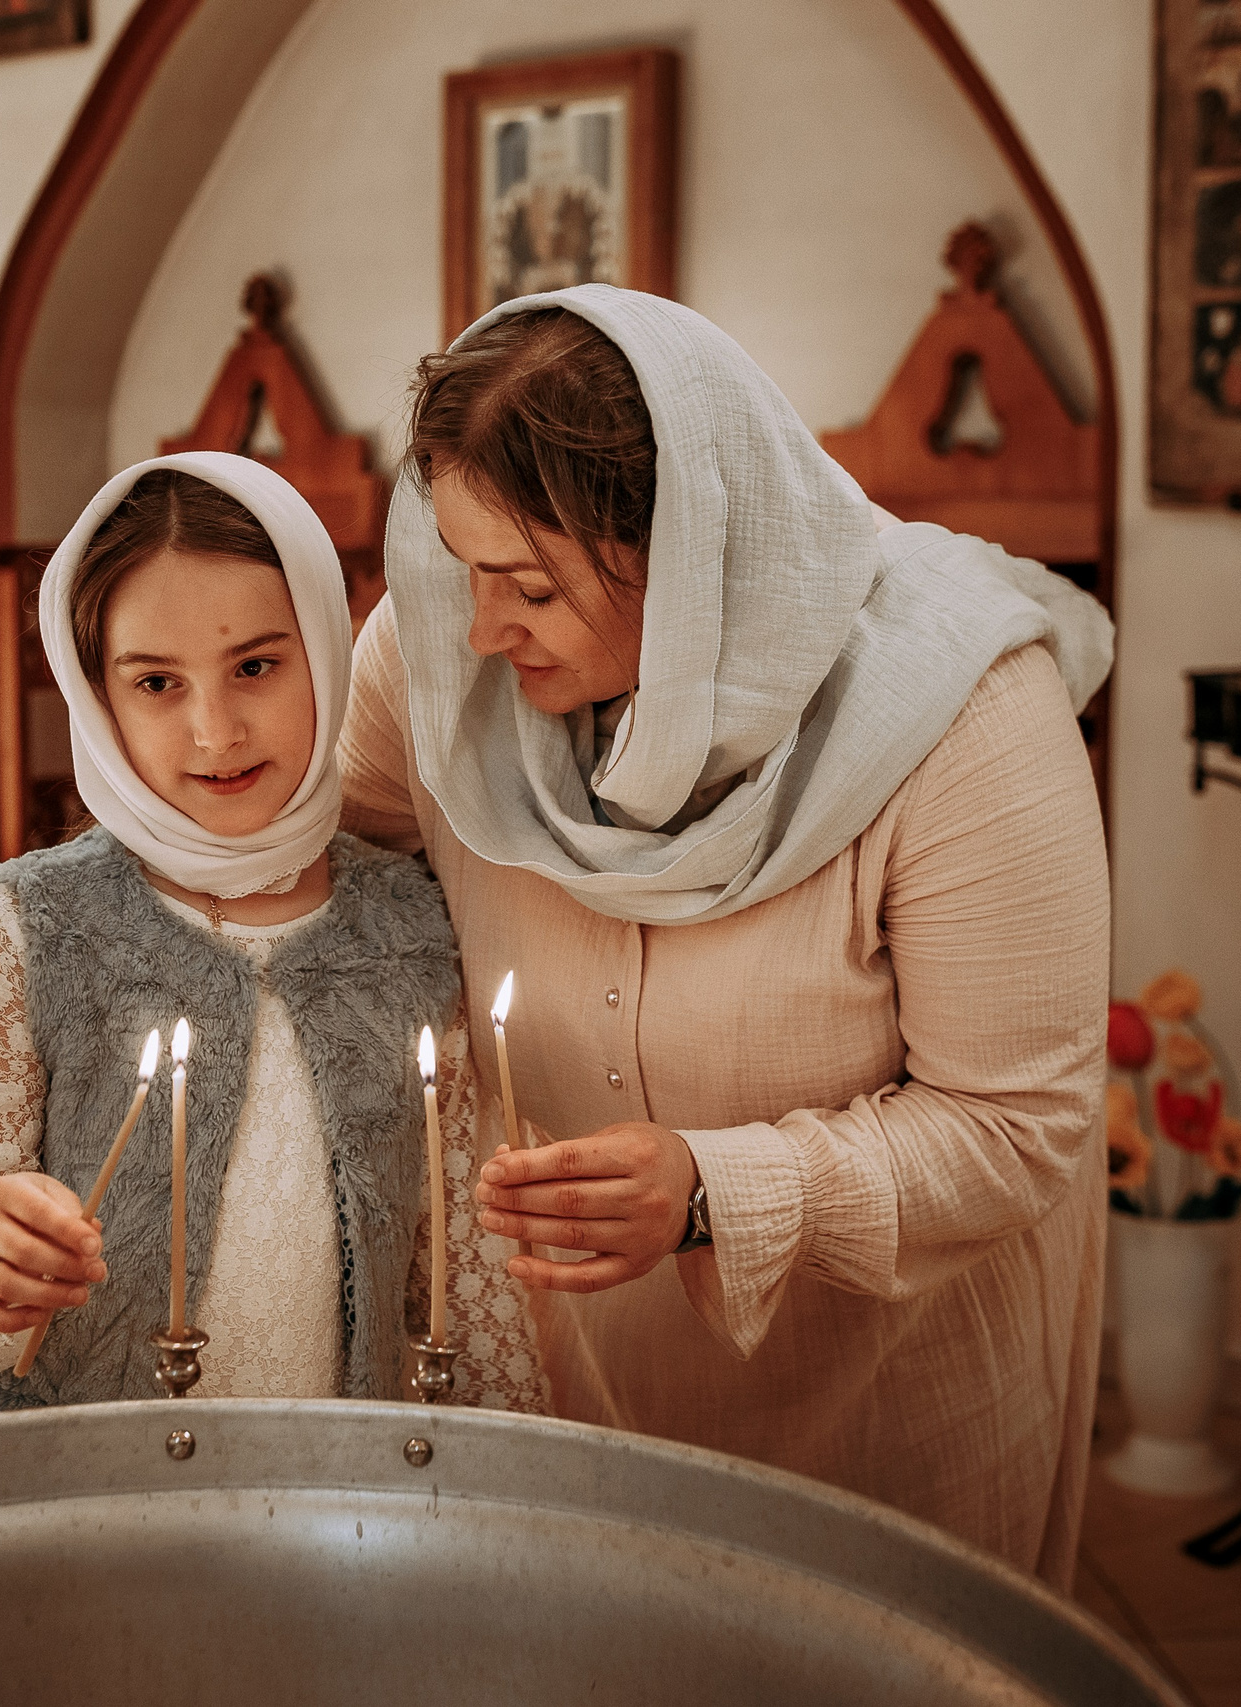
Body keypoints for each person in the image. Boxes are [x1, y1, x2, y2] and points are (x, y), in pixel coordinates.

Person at [341, 286, 1113, 1584]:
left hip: (882, 1403)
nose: (480, 629)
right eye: (466, 570)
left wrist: (713, 1187)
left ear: (694, 552)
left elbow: (1017, 1120)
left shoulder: (964, 710)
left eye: (528, 583)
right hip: (546, 1369)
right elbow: (323, 879)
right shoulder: (445, 653)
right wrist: (48, 960)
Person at [0, 452, 544, 1414]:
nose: (216, 730)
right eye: (157, 682)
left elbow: (462, 1277)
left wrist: (512, 1473)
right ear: (96, 695)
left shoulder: (408, 925)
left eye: (254, 666)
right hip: (79, 1499)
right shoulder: (16, 935)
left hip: (335, 1493)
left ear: (323, 646)